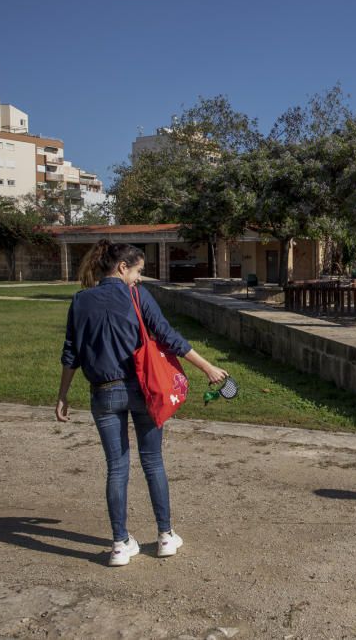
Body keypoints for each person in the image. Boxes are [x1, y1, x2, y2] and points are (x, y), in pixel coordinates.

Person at [55, 240, 227, 566]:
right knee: (153, 462)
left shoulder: (80, 301)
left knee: (116, 468)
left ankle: (120, 544)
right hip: (142, 390)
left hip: (103, 393)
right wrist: (207, 367)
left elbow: (71, 353)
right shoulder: (135, 295)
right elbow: (167, 336)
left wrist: (62, 395)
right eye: (138, 271)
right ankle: (165, 536)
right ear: (122, 268)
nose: (139, 278)